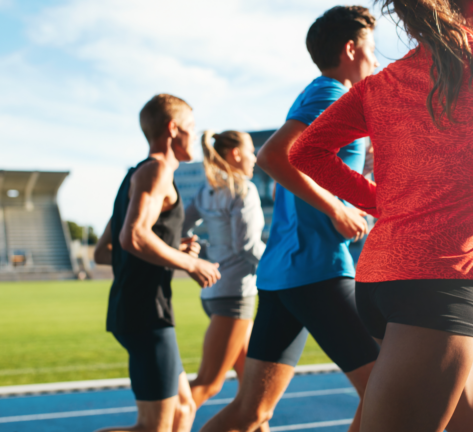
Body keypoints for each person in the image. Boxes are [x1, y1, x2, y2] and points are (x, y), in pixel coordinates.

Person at [289, 0, 473, 430]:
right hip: (433, 288)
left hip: (379, 281)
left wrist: (381, 202)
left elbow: (306, 151)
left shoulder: (381, 83)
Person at [201, 7, 381, 432]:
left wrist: (356, 184)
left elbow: (314, 169)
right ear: (350, 49)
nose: (375, 61)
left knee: (252, 413)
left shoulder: (315, 94)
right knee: (385, 389)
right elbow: (273, 156)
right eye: (371, 50)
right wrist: (337, 209)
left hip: (283, 273)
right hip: (316, 268)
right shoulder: (330, 94)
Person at [93, 94, 221, 432]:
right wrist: (191, 264)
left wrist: (170, 247)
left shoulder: (136, 175)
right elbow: (133, 237)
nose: (195, 135)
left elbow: (104, 251)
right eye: (191, 127)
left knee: (183, 409)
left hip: (143, 309)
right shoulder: (157, 170)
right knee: (154, 428)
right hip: (144, 312)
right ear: (173, 128)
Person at [182, 130, 266, 411]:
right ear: (236, 154)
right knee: (208, 384)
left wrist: (204, 252)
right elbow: (247, 246)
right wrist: (279, 265)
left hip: (213, 293)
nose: (255, 158)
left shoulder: (206, 191)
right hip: (235, 296)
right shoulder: (244, 190)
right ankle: (159, 424)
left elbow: (180, 228)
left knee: (252, 389)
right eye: (251, 151)